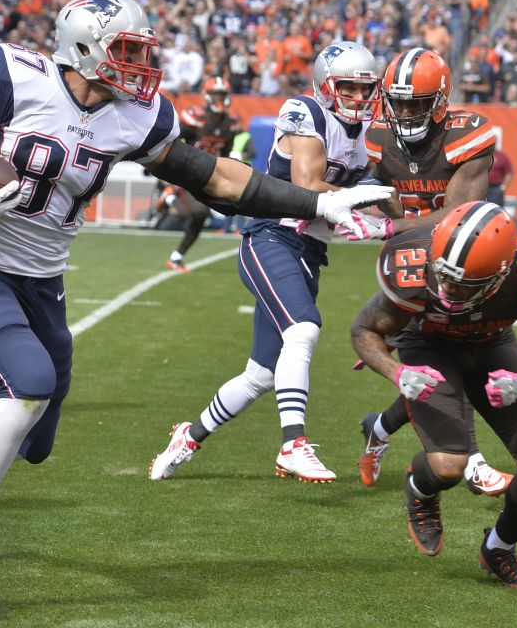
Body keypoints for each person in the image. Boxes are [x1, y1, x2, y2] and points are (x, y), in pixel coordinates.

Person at [0, 0, 393, 610]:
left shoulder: (135, 114)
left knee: (36, 440)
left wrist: (317, 203)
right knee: (27, 385)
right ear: (84, 47)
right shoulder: (13, 76)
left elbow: (215, 177)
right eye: (127, 50)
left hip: (45, 281)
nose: (140, 64)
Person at [149, 42, 383, 484]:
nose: (356, 97)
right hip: (272, 235)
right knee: (304, 328)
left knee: (260, 375)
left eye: (363, 88)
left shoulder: (367, 132)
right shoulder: (305, 112)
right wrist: (359, 202)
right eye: (347, 87)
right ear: (326, 86)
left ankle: (189, 436)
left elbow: (376, 203)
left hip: (310, 251)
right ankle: (293, 444)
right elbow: (307, 185)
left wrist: (390, 224)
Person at [350, 201, 517, 589]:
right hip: (428, 348)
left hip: (493, 343)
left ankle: (499, 549)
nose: (447, 289)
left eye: (463, 284)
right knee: (448, 466)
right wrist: (399, 373)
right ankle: (419, 487)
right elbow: (364, 331)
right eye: (443, 275)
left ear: (501, 273)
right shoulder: (412, 261)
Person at [347, 47, 514, 496]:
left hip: (459, 253)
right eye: (397, 100)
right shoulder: (379, 135)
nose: (404, 111)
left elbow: (458, 213)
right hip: (412, 259)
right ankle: (474, 462)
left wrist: (388, 224)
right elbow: (392, 202)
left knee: (447, 363)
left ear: (440, 100)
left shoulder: (468, 132)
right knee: (455, 356)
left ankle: (378, 428)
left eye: (416, 102)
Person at [162, 76, 243, 272]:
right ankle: (170, 196)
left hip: (210, 174)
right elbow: (171, 140)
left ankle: (176, 257)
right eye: (217, 94)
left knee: (203, 216)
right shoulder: (195, 118)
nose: (220, 99)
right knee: (200, 212)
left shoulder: (230, 124)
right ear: (206, 96)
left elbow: (225, 153)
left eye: (223, 95)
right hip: (188, 173)